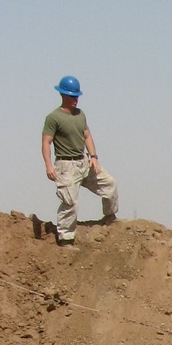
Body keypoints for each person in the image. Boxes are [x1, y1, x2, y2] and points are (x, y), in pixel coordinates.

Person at [41, 76, 119, 245]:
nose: (76, 99)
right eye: (72, 96)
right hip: (66, 165)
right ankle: (66, 239)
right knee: (69, 203)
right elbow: (46, 142)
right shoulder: (53, 118)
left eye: (77, 96)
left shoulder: (80, 115)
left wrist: (93, 156)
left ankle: (110, 217)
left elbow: (87, 136)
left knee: (109, 184)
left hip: (83, 162)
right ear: (63, 95)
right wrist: (48, 165)